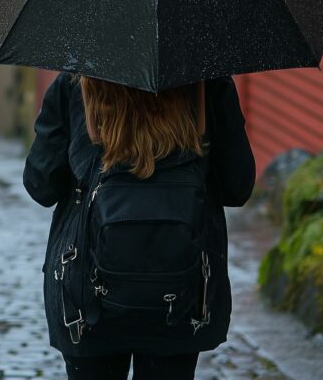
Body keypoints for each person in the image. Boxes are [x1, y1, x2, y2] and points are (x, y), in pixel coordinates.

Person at [23, 74, 255, 380]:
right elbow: (237, 187)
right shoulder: (206, 83)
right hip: (182, 295)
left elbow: (42, 185)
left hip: (86, 300)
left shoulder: (74, 84)